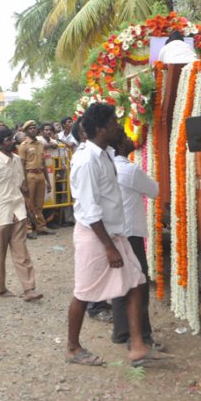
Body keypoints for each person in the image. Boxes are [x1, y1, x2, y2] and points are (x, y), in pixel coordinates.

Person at [67, 103, 166, 367]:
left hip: (114, 233)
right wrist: (109, 247)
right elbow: (89, 210)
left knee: (136, 282)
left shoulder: (105, 153)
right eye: (113, 123)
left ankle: (137, 346)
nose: (119, 127)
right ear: (100, 129)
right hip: (95, 236)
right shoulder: (87, 160)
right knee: (84, 293)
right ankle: (73, 348)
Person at [0, 128, 43, 301]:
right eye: (8, 139)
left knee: (21, 251)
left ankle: (29, 289)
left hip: (17, 210)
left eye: (12, 138)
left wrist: (28, 210)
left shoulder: (17, 161)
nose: (13, 141)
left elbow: (20, 186)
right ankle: (0, 289)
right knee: (0, 253)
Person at [111, 135, 162, 349]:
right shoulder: (129, 170)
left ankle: (121, 332)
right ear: (121, 144)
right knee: (138, 285)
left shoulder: (107, 167)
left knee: (121, 282)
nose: (132, 139)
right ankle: (142, 337)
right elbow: (155, 191)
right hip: (131, 234)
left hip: (113, 233)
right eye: (125, 137)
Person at [18, 120, 53, 239]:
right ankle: (28, 229)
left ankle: (41, 226)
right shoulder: (24, 146)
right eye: (30, 128)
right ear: (26, 131)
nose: (33, 129)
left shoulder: (40, 144)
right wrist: (23, 183)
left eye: (34, 127)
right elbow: (21, 165)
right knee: (28, 203)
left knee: (39, 203)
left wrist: (48, 181)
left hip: (40, 175)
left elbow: (43, 163)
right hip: (29, 175)